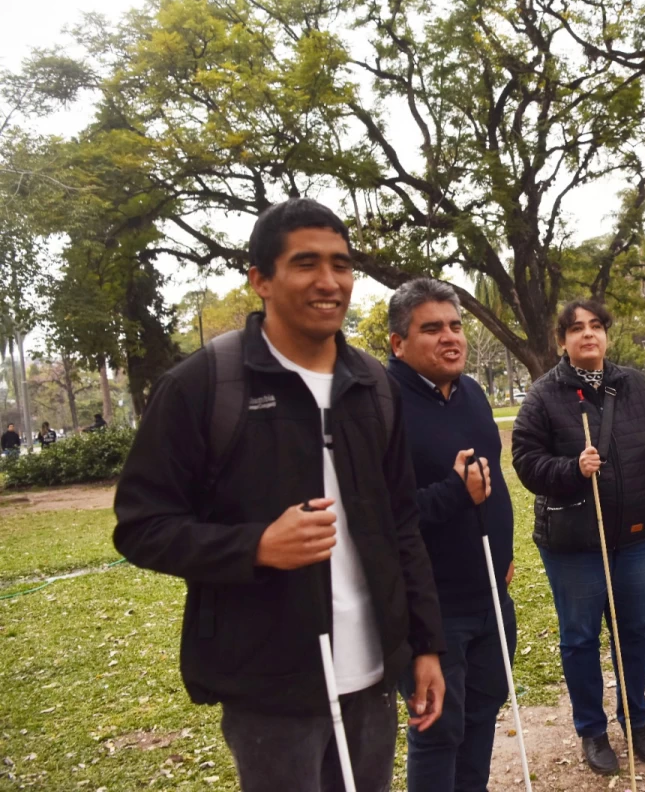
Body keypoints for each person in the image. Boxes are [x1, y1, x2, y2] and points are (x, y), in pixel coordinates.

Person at [112, 198, 447, 792]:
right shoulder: (203, 386)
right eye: (306, 263)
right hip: (270, 690)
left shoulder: (373, 387)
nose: (329, 282)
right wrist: (256, 546)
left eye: (341, 265)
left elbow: (402, 525)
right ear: (261, 280)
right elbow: (142, 526)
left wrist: (425, 644)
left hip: (372, 678)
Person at [511, 299, 645, 775]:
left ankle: (636, 719)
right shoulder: (543, 395)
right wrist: (572, 468)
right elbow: (526, 462)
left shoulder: (634, 385)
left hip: (637, 536)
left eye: (595, 326)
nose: (587, 335)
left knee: (632, 631)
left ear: (606, 334)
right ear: (562, 340)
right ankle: (592, 729)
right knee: (580, 638)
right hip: (574, 543)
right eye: (576, 328)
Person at [386, 278, 517, 792]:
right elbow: (378, 515)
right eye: (432, 328)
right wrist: (455, 495)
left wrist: (503, 550)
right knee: (438, 730)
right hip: (427, 605)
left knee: (483, 713)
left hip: (488, 590)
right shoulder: (381, 404)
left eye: (456, 326)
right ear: (398, 343)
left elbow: (493, 480)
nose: (451, 338)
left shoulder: (472, 393)